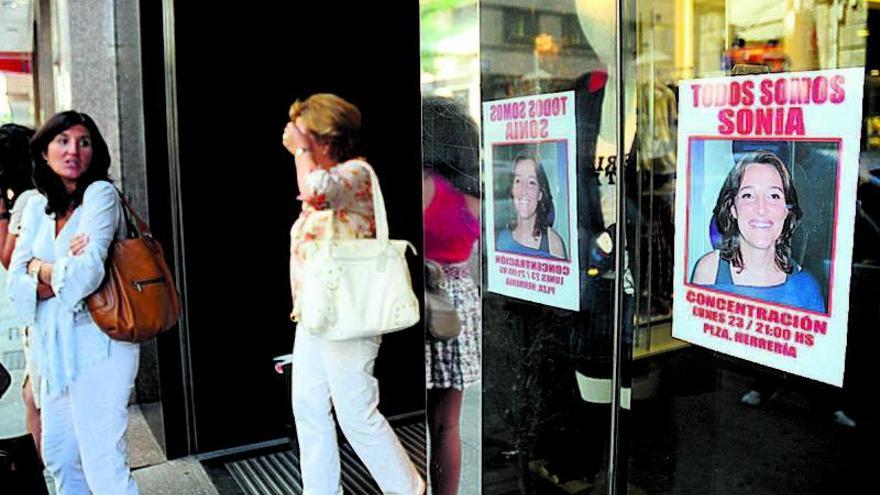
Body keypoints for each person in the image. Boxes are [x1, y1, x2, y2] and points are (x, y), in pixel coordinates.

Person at [283, 93, 424, 495]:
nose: (294, 138)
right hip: (316, 313)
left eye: (302, 131)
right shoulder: (332, 177)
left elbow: (318, 191)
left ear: (324, 136)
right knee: (309, 407)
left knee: (356, 413)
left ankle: (410, 490)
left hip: (348, 315)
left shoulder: (355, 173)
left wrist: (299, 154)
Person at [6, 111, 139, 494]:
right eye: (62, 142)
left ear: (95, 152)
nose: (73, 151)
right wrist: (58, 269)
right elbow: (15, 283)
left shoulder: (100, 196)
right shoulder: (34, 206)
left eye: (84, 142)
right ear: (44, 152)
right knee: (61, 456)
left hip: (102, 345)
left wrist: (39, 267)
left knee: (102, 461)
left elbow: (86, 277)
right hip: (56, 351)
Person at [421, 96, 481, 495]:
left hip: (423, 300)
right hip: (460, 307)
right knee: (448, 425)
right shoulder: (472, 194)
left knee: (411, 419)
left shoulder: (424, 185)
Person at [690, 149, 825, 313]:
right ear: (733, 208)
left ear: (787, 211)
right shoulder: (708, 272)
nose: (761, 209)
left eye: (773, 196)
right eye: (748, 195)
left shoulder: (807, 289)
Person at [0, 123, 43, 459]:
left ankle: (48, 469)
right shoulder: (37, 194)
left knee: (35, 398)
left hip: (40, 313)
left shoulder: (27, 200)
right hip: (39, 311)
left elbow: (6, 256)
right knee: (33, 395)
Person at [495, 151, 567, 259]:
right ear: (512, 190)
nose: (524, 190)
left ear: (540, 194)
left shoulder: (553, 244)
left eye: (531, 182)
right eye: (518, 181)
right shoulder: (499, 240)